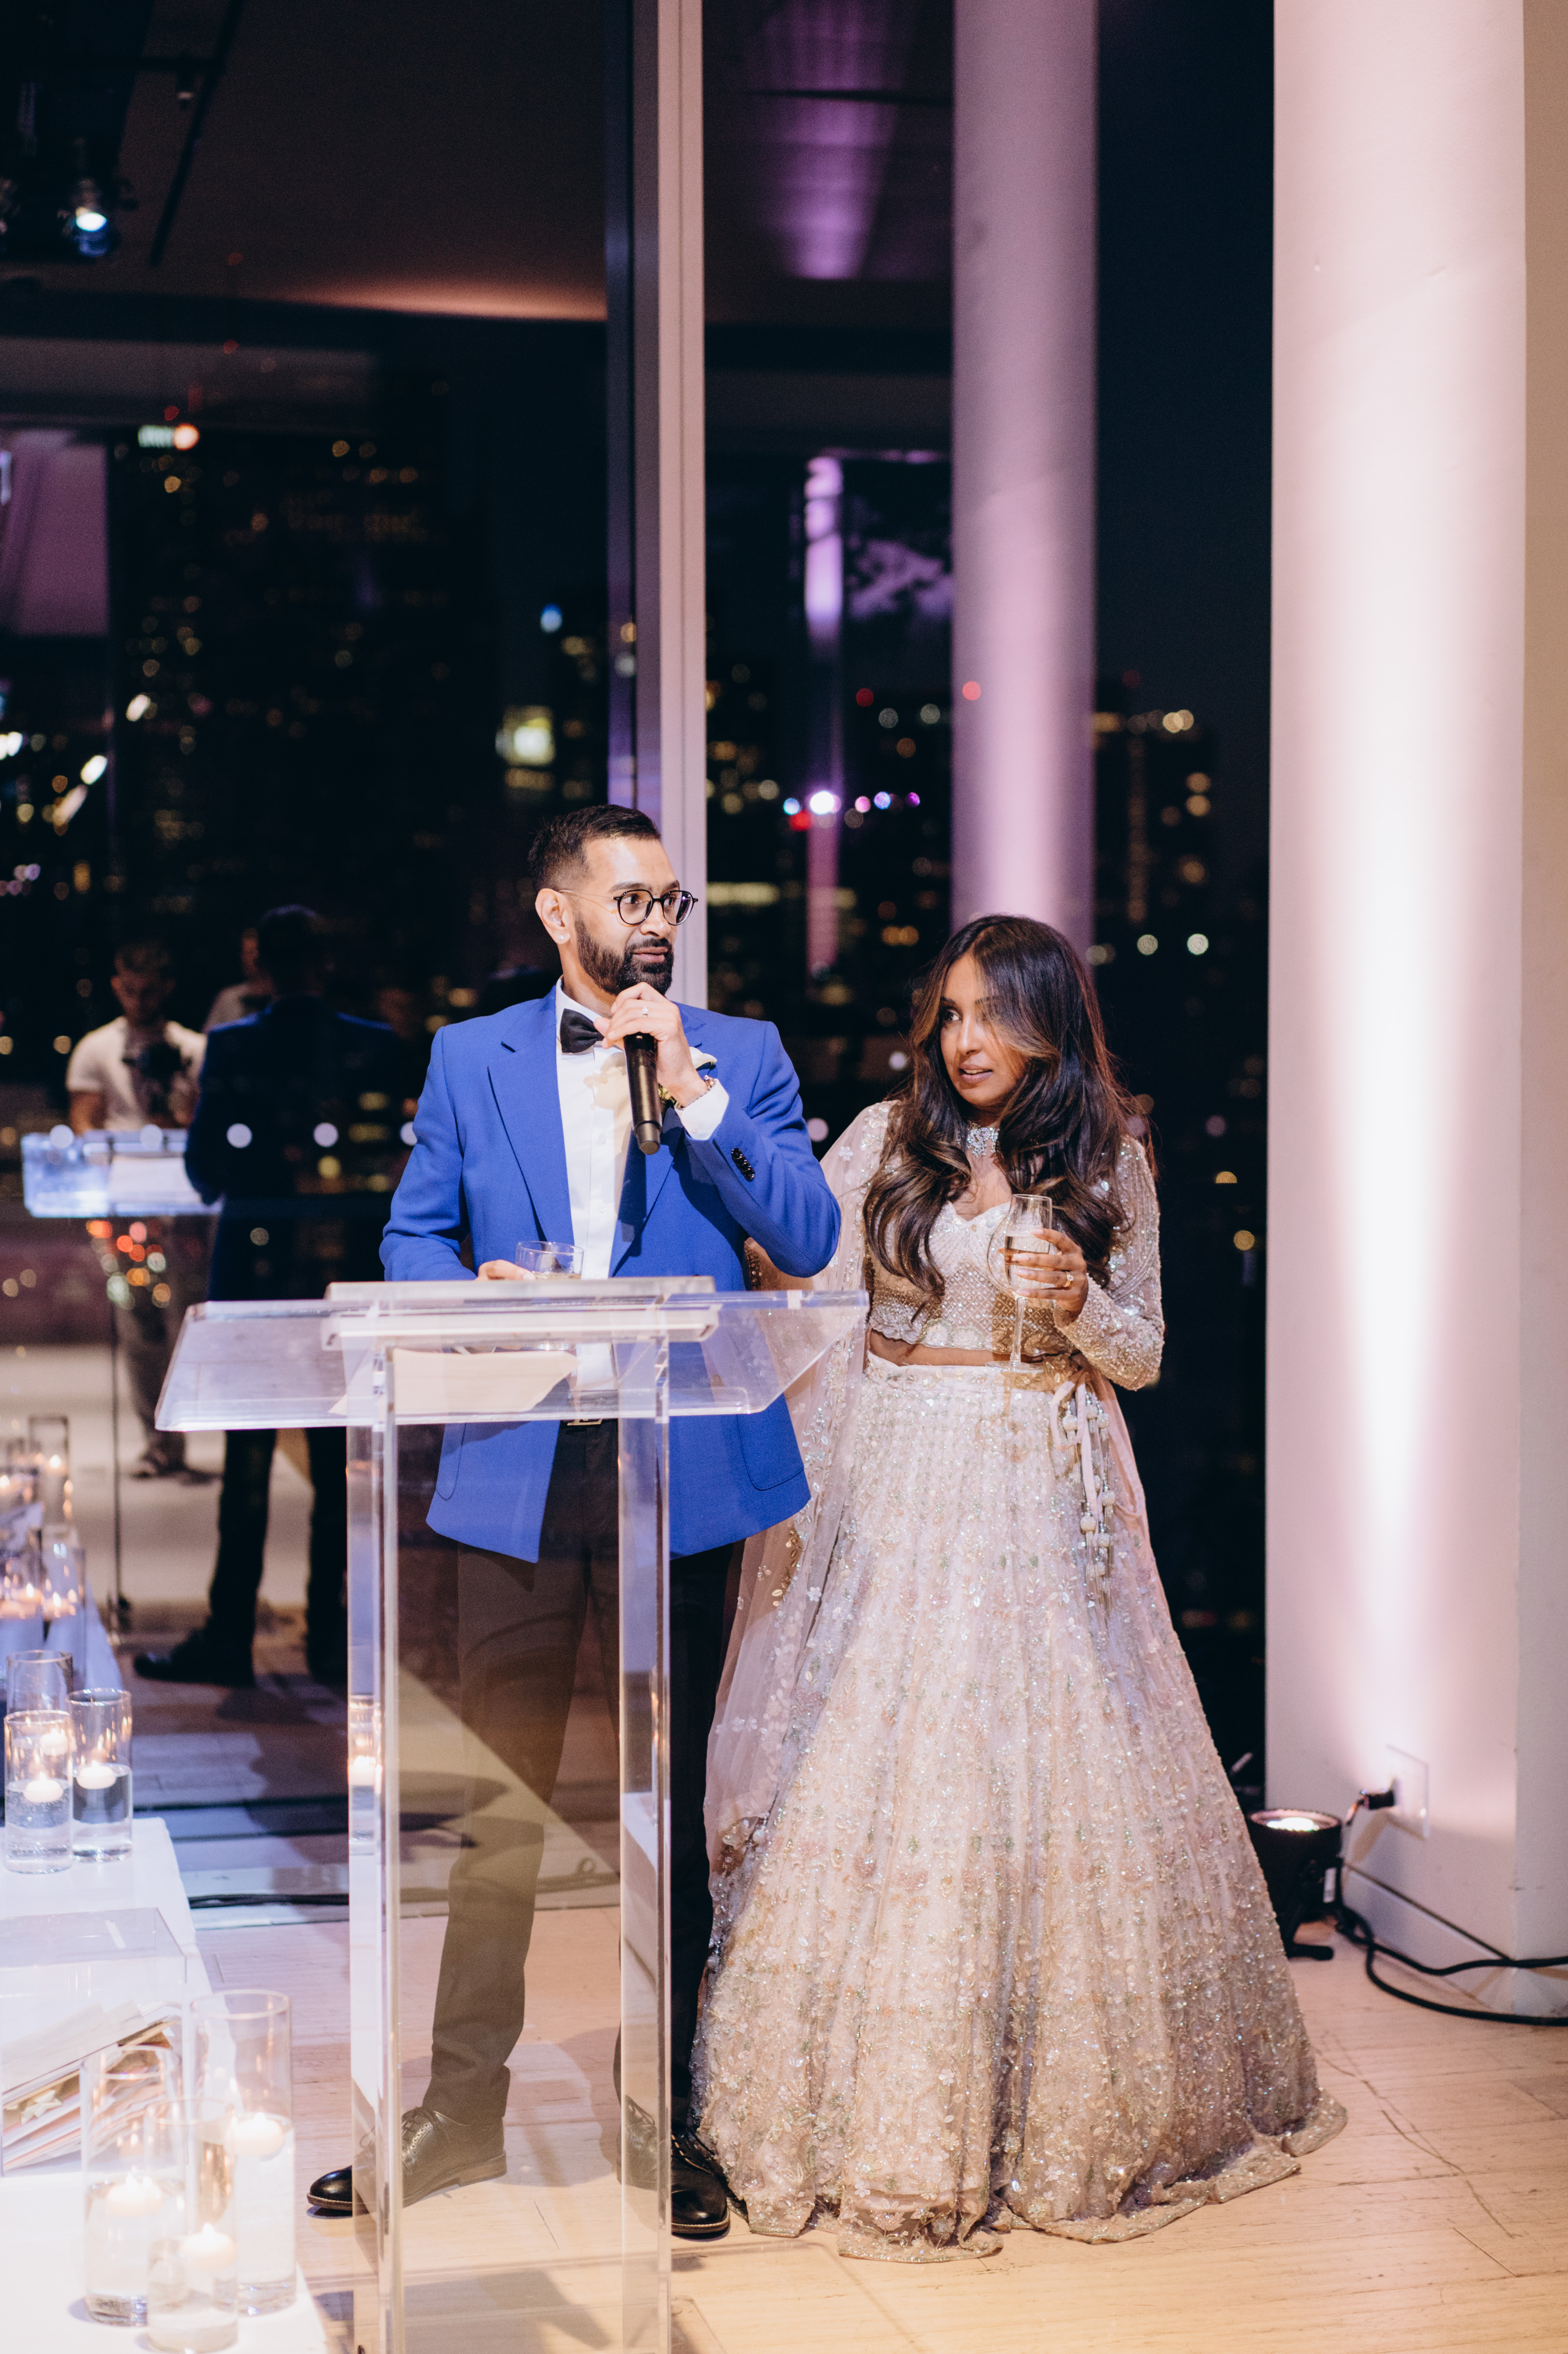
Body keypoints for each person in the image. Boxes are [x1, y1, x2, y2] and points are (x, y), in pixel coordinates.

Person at [694, 915, 1346, 2260]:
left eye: (993, 1014)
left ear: (1052, 1024)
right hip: (897, 1472)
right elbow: (803, 1283)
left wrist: (1075, 1306)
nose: (966, 1041)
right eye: (949, 1014)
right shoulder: (885, 1139)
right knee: (885, 1762)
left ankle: (1049, 2100)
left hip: (1035, 1476)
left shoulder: (1106, 1157)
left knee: (1038, 1766)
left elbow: (1143, 1352)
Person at [305, 803, 839, 2239]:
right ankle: (458, 2112)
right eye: (629, 899)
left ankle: (666, 2117)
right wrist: (468, 1292)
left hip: (685, 1467)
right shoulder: (468, 1056)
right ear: (558, 914)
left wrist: (698, 1094)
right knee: (497, 1805)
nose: (655, 923)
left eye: (669, 901)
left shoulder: (742, 1056)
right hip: (521, 1460)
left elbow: (805, 1238)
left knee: (668, 1806)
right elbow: (409, 1237)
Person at [133, 906, 403, 1690]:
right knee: (339, 1467)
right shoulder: (376, 1046)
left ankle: (230, 1637)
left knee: (248, 1464)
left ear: (259, 965)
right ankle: (332, 1638)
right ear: (325, 961)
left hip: (257, 1275)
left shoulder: (234, 1046)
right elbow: (391, 1161)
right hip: (345, 1275)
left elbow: (205, 1170)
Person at [66, 939, 210, 1481]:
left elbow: (206, 1124)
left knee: (184, 1319)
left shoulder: (194, 1049)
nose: (139, 1000)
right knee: (138, 1321)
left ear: (166, 988)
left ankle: (177, 1433)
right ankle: (158, 1439)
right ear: (116, 987)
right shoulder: (96, 1049)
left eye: (148, 991)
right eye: (130, 990)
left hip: (184, 1204)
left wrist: (178, 1113)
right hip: (124, 1204)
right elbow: (85, 1121)